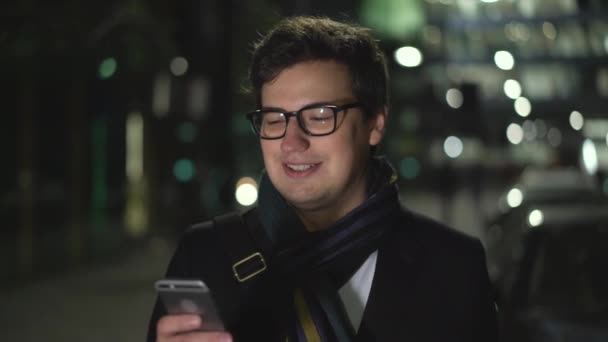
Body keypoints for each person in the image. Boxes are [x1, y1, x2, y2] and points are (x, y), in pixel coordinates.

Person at [147, 16, 498, 342]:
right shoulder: (206, 257)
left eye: (318, 116)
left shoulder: (453, 266)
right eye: (274, 118)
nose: (291, 141)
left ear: (375, 122)